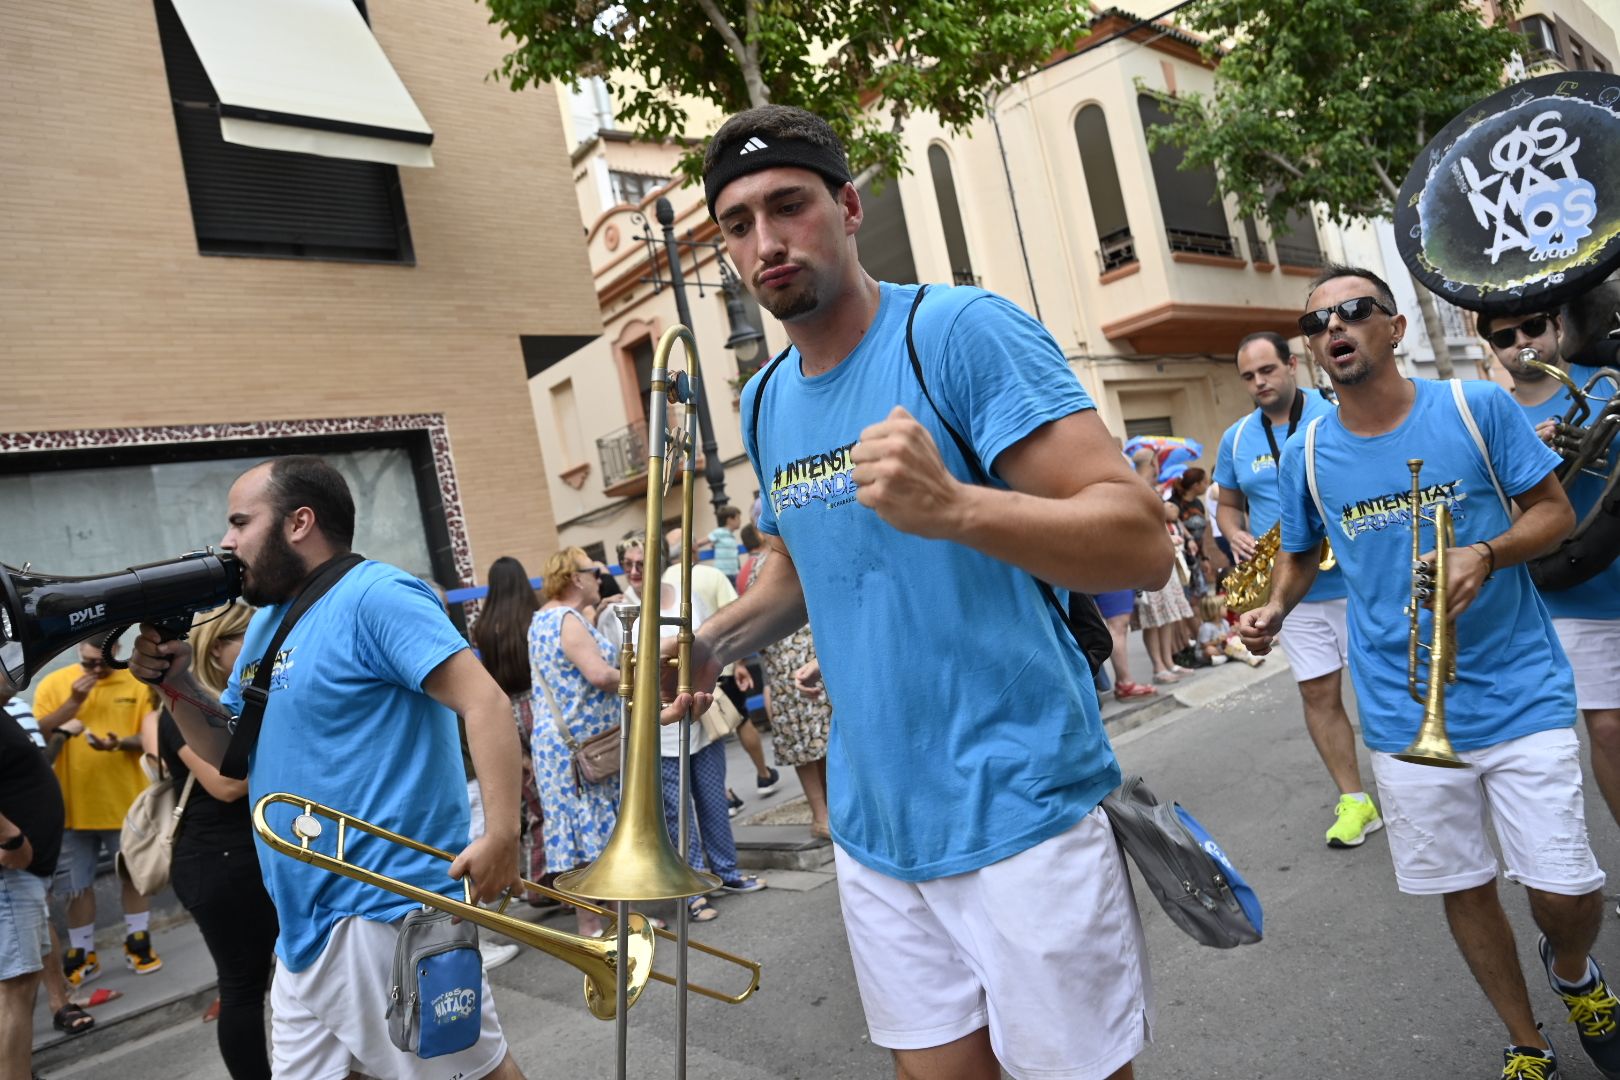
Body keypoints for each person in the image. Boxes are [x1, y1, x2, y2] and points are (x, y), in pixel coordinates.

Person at [692, 103, 1168, 1080]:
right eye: (737, 225)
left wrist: (955, 508)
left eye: (788, 206)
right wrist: (712, 642)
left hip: (1021, 804)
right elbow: (800, 568)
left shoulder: (955, 333)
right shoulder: (765, 398)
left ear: (850, 206)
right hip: (877, 827)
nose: (765, 242)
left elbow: (1141, 543)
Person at [1240, 266, 1614, 1080]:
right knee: (1465, 882)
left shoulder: (1474, 409)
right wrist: (1274, 607)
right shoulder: (1308, 452)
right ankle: (1528, 1041)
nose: (1332, 328)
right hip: (1402, 709)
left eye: (1352, 312)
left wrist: (1486, 551)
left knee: (1567, 889)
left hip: (1519, 689)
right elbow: (1301, 553)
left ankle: (1575, 971)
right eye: (1316, 324)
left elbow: (1552, 513)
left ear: (1395, 326)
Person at [129, 455, 537, 1080]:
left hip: (388, 908)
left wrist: (502, 834)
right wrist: (177, 683)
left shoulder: (377, 594)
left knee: (469, 1075)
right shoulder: (267, 624)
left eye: (240, 522)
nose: (226, 541)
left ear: (299, 522)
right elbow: (230, 760)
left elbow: (483, 701)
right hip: (304, 924)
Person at [1215, 330, 1379, 849]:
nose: (1259, 382)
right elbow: (1228, 503)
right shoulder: (1237, 438)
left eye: (1266, 370)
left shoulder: (1336, 415)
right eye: (1248, 376)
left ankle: (1411, 783)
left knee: (1383, 689)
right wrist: (1233, 531)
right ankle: (1355, 800)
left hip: (1354, 582)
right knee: (1317, 693)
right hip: (1290, 593)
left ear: (1291, 366)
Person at [1479, 309, 1620, 850]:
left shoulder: (1606, 381)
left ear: (1557, 326)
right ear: (1493, 348)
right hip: (1573, 594)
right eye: (1505, 337)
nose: (1523, 343)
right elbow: (1494, 522)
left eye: (1533, 326)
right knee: (1608, 730)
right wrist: (1534, 465)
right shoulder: (1495, 417)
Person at [139, 603, 277, 1080]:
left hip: (245, 855)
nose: (263, 646)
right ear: (218, 648)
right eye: (249, 637)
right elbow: (226, 784)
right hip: (215, 860)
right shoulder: (179, 710)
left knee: (282, 978)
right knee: (241, 985)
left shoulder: (238, 700)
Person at [31, 640, 160, 983]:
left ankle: (138, 940)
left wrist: (119, 742)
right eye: (89, 663)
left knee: (135, 876)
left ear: (116, 647)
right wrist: (73, 702)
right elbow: (33, 739)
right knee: (76, 886)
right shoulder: (54, 684)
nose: (97, 670)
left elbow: (151, 735)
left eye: (103, 662)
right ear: (78, 651)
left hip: (127, 802)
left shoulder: (136, 681)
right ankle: (83, 951)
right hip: (72, 807)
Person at [528, 547, 624, 941]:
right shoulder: (567, 620)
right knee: (600, 834)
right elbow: (599, 675)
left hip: (561, 750)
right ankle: (612, 921)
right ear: (574, 578)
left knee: (581, 837)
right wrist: (642, 677)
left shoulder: (543, 619)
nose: (600, 576)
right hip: (582, 749)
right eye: (593, 571)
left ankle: (595, 923)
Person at [653, 581, 764, 920]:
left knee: (714, 800)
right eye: (628, 564)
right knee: (677, 813)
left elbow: (712, 644)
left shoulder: (688, 594)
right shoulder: (622, 611)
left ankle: (726, 872)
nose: (636, 570)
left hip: (704, 719)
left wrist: (735, 666)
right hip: (665, 733)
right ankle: (693, 889)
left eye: (642, 562)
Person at [664, 526, 781, 808]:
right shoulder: (713, 574)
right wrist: (739, 663)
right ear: (694, 548)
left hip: (684, 669)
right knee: (739, 721)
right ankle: (763, 774)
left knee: (701, 736)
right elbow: (734, 613)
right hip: (720, 667)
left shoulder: (665, 579)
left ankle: (723, 791)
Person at [472, 556, 550, 904]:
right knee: (552, 797)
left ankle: (534, 882)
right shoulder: (532, 620)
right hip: (539, 706)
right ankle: (558, 878)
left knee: (529, 800)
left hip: (505, 711)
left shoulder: (483, 626)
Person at [0, 682, 68, 1078]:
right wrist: (10, 836)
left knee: (22, 984)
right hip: (12, 872)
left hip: (25, 876)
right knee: (15, 988)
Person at [744, 542, 834, 836]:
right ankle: (824, 816)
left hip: (795, 662)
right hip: (798, 661)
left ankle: (825, 814)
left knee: (815, 743)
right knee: (812, 743)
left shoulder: (762, 565)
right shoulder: (776, 560)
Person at [706, 505, 745, 584]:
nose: (740, 521)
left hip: (734, 572)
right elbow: (703, 541)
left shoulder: (730, 535)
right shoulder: (719, 532)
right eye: (738, 518)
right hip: (724, 573)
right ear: (730, 520)